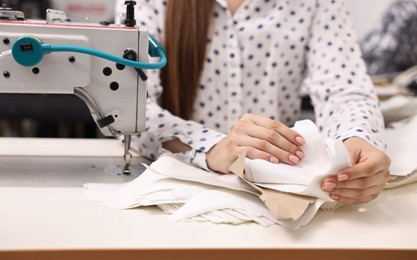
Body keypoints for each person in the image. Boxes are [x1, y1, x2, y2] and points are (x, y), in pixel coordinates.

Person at [115, 0, 391, 205]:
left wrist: (358, 137)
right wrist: (213, 148)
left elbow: (344, 89)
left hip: (277, 197)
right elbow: (129, 106)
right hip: (177, 187)